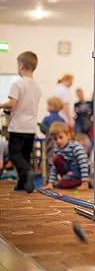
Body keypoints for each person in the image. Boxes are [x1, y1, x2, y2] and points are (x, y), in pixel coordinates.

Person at [0, 51, 41, 193]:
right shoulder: (37, 87)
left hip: (18, 126)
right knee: (25, 156)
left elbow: (12, 104)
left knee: (14, 154)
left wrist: (1, 105)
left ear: (21, 65)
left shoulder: (18, 84)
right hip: (31, 127)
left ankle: (28, 171)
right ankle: (23, 184)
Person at [42, 122, 90, 190]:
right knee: (56, 159)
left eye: (60, 137)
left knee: (61, 184)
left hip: (78, 172)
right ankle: (68, 180)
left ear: (68, 136)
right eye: (55, 139)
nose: (58, 141)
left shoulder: (75, 146)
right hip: (68, 173)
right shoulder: (57, 149)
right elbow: (54, 167)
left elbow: (83, 164)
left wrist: (85, 181)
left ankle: (82, 182)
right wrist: (50, 183)